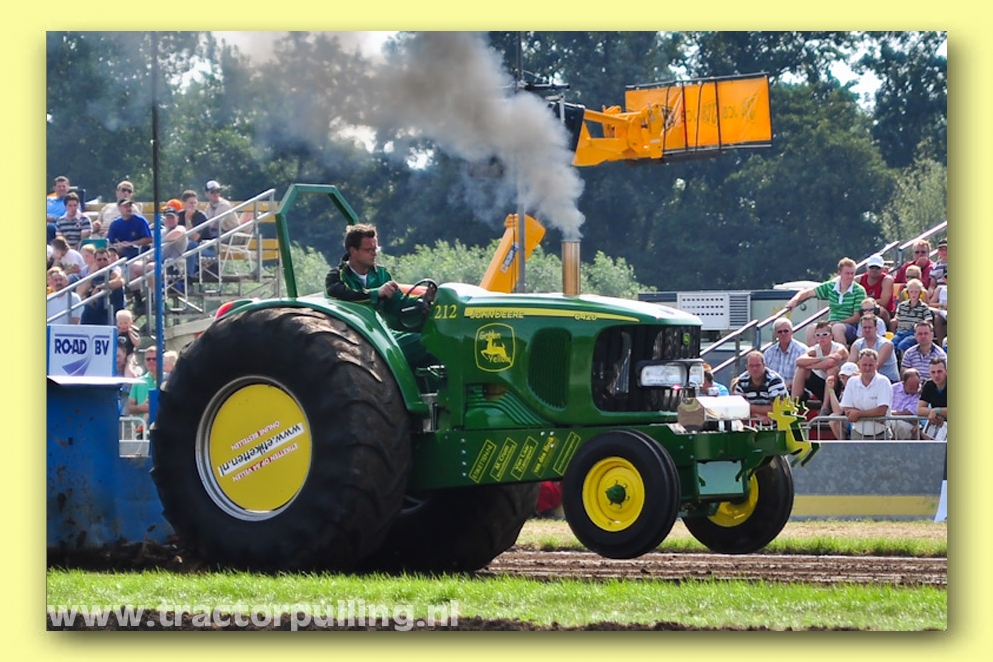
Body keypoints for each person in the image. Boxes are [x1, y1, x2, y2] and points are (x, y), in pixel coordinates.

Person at [325, 223, 436, 367]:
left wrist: (423, 299)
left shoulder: (382, 274)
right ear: (353, 251)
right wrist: (376, 293)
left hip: (382, 332)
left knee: (434, 340)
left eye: (375, 248)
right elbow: (341, 297)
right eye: (368, 250)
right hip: (354, 335)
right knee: (428, 344)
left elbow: (397, 304)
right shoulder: (337, 276)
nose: (374, 253)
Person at [782, 257, 867, 346]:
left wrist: (839, 322)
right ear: (839, 273)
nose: (850, 276)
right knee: (811, 329)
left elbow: (856, 317)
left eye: (852, 273)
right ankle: (815, 354)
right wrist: (794, 300)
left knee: (837, 328)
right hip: (831, 323)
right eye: (847, 273)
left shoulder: (859, 290)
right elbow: (808, 292)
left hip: (850, 326)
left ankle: (842, 353)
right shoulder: (831, 286)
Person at [106, 198, 152, 313]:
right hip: (122, 256)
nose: (128, 208)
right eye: (125, 206)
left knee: (131, 268)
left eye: (130, 206)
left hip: (139, 254)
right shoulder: (115, 224)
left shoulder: (140, 221)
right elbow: (111, 242)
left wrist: (131, 243)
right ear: (119, 208)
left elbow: (148, 239)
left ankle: (138, 300)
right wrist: (118, 247)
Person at [839, 348, 893, 440]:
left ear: (876, 365)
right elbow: (847, 410)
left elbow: (881, 411)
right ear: (859, 365)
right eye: (864, 365)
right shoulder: (851, 382)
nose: (867, 368)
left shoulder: (883, 381)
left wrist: (858, 414)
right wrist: (874, 416)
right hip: (857, 434)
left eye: (870, 365)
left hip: (881, 435)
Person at [790, 320, 849, 403]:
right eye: (818, 335)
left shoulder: (839, 348)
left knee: (831, 370)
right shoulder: (814, 349)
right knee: (801, 369)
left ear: (831, 336)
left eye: (825, 334)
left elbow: (830, 363)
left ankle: (825, 406)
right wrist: (822, 358)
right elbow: (799, 361)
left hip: (839, 386)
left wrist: (812, 366)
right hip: (823, 386)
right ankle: (793, 403)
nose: (821, 338)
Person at [731, 351, 789, 425]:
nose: (755, 368)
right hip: (752, 425)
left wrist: (749, 408)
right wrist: (756, 415)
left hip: (780, 424)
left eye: (758, 365)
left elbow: (778, 409)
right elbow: (738, 408)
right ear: (747, 367)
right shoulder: (742, 381)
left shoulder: (774, 380)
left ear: (764, 365)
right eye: (751, 366)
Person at [77, 247, 126, 325]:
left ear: (109, 260)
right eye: (99, 260)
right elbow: (79, 292)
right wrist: (91, 274)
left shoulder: (113, 271)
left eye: (105, 259)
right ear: (95, 261)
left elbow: (120, 281)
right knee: (86, 308)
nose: (102, 262)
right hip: (96, 308)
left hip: (112, 306)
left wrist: (100, 287)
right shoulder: (93, 274)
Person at [850, 312, 899, 382]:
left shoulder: (886, 344)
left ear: (876, 328)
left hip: (889, 380)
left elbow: (874, 367)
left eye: (869, 327)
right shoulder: (857, 344)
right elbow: (850, 364)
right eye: (864, 327)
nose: (867, 330)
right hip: (866, 378)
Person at [891, 278, 934, 352]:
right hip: (900, 332)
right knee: (891, 344)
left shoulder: (923, 307)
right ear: (907, 293)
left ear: (920, 293)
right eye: (911, 292)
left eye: (916, 292)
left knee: (903, 345)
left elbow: (928, 322)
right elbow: (896, 319)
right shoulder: (902, 305)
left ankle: (905, 358)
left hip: (913, 333)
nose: (913, 294)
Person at [763, 317, 807, 387]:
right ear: (775, 334)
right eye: (779, 332)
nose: (783, 333)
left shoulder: (802, 350)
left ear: (791, 332)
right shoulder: (768, 353)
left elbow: (806, 376)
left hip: (794, 389)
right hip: (772, 389)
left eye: (786, 331)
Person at [821, 361, 859, 439]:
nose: (845, 380)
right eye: (843, 377)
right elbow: (838, 411)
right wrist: (831, 390)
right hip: (851, 421)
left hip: (860, 419)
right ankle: (843, 443)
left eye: (849, 377)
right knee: (833, 418)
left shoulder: (859, 387)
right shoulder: (844, 390)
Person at [127, 346, 161, 426]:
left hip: (162, 428)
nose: (151, 361)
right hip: (142, 429)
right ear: (144, 361)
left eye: (154, 359)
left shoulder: (167, 380)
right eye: (148, 359)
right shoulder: (138, 382)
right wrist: (141, 408)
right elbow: (129, 408)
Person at [857, 254, 894, 326]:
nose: (874, 270)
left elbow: (884, 302)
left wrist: (866, 305)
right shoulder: (858, 280)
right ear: (867, 267)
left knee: (879, 310)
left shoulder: (887, 280)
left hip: (884, 313)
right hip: (863, 310)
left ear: (882, 269)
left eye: (877, 267)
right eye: (872, 267)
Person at [917, 357, 948, 441]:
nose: (936, 375)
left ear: (946, 371)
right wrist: (937, 414)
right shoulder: (928, 385)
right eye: (933, 372)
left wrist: (936, 411)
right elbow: (920, 410)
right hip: (940, 426)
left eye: (939, 371)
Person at [889, 368, 922, 440]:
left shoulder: (920, 393)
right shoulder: (892, 388)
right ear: (903, 384)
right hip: (890, 419)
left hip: (909, 423)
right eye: (911, 388)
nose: (915, 390)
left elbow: (908, 413)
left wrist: (890, 413)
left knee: (892, 422)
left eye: (917, 386)